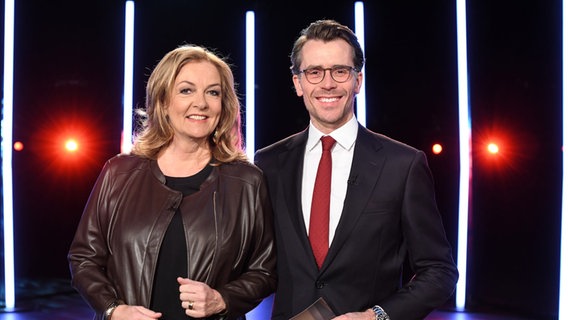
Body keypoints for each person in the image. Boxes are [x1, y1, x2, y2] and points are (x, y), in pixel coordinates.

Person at [254, 19, 458, 320]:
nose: (327, 84)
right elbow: (253, 264)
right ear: (298, 83)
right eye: (314, 72)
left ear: (357, 80)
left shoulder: (402, 164)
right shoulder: (268, 163)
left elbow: (439, 272)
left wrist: (376, 316)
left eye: (340, 71)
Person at [68, 44, 277, 320]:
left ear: (223, 105)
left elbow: (265, 270)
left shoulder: (247, 182)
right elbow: (84, 258)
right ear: (163, 102)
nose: (200, 103)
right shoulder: (118, 173)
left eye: (213, 92)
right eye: (186, 90)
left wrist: (222, 300)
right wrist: (113, 310)